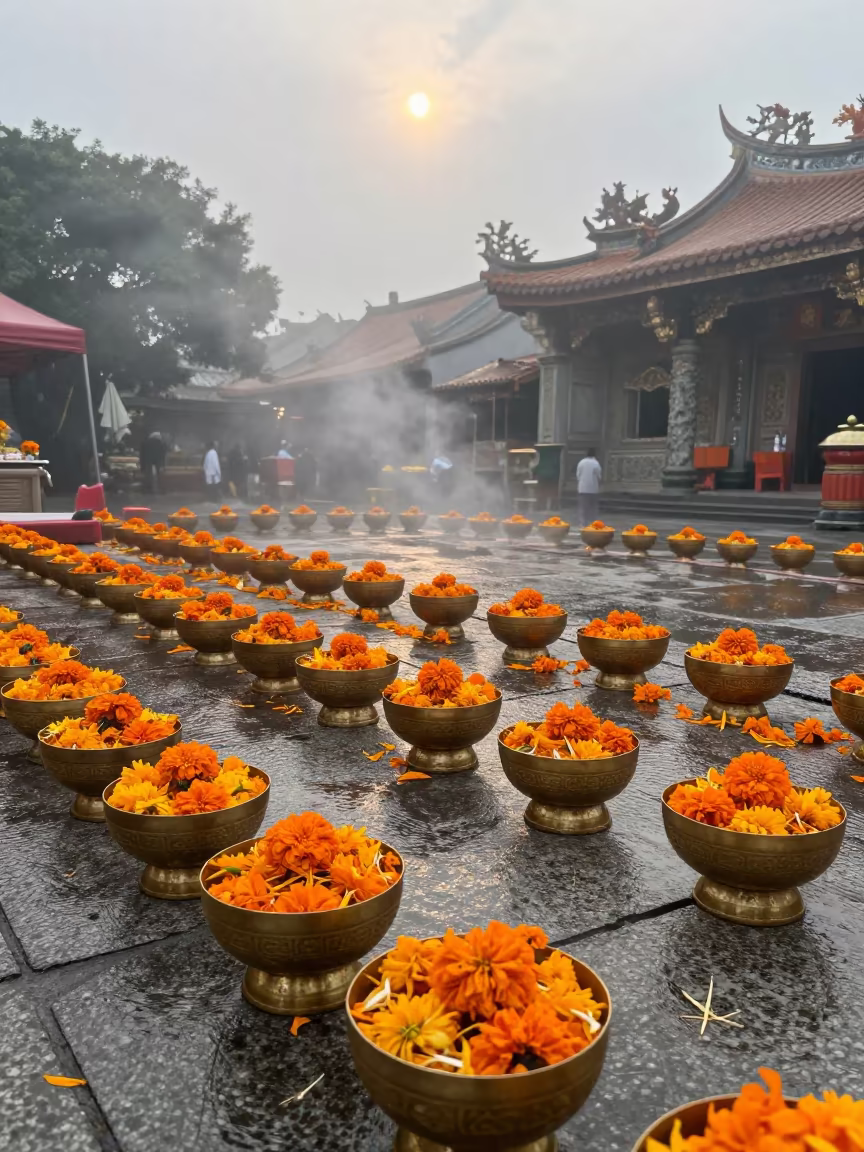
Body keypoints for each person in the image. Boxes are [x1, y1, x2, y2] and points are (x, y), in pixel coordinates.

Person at [576, 449, 602, 527]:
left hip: (582, 489)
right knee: (592, 508)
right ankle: (593, 524)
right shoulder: (596, 463)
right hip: (593, 489)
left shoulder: (581, 462)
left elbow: (578, 475)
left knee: (583, 508)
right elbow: (599, 476)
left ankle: (583, 524)